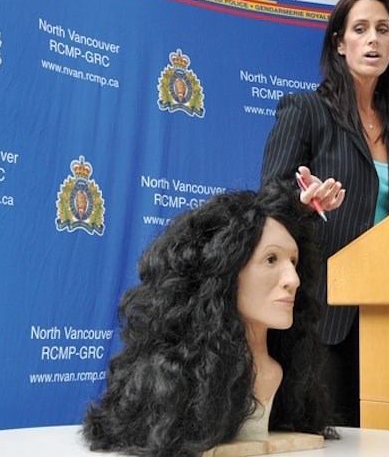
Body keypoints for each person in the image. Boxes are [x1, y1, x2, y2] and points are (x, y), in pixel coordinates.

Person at [260, 0, 389, 427]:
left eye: (383, 30)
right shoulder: (307, 111)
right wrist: (302, 200)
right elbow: (269, 196)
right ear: (339, 42)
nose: (372, 39)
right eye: (360, 29)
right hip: (327, 314)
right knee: (329, 435)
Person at [82, 180, 335, 457]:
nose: (293, 279)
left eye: (294, 262)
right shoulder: (181, 384)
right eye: (271, 259)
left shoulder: (284, 375)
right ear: (224, 272)